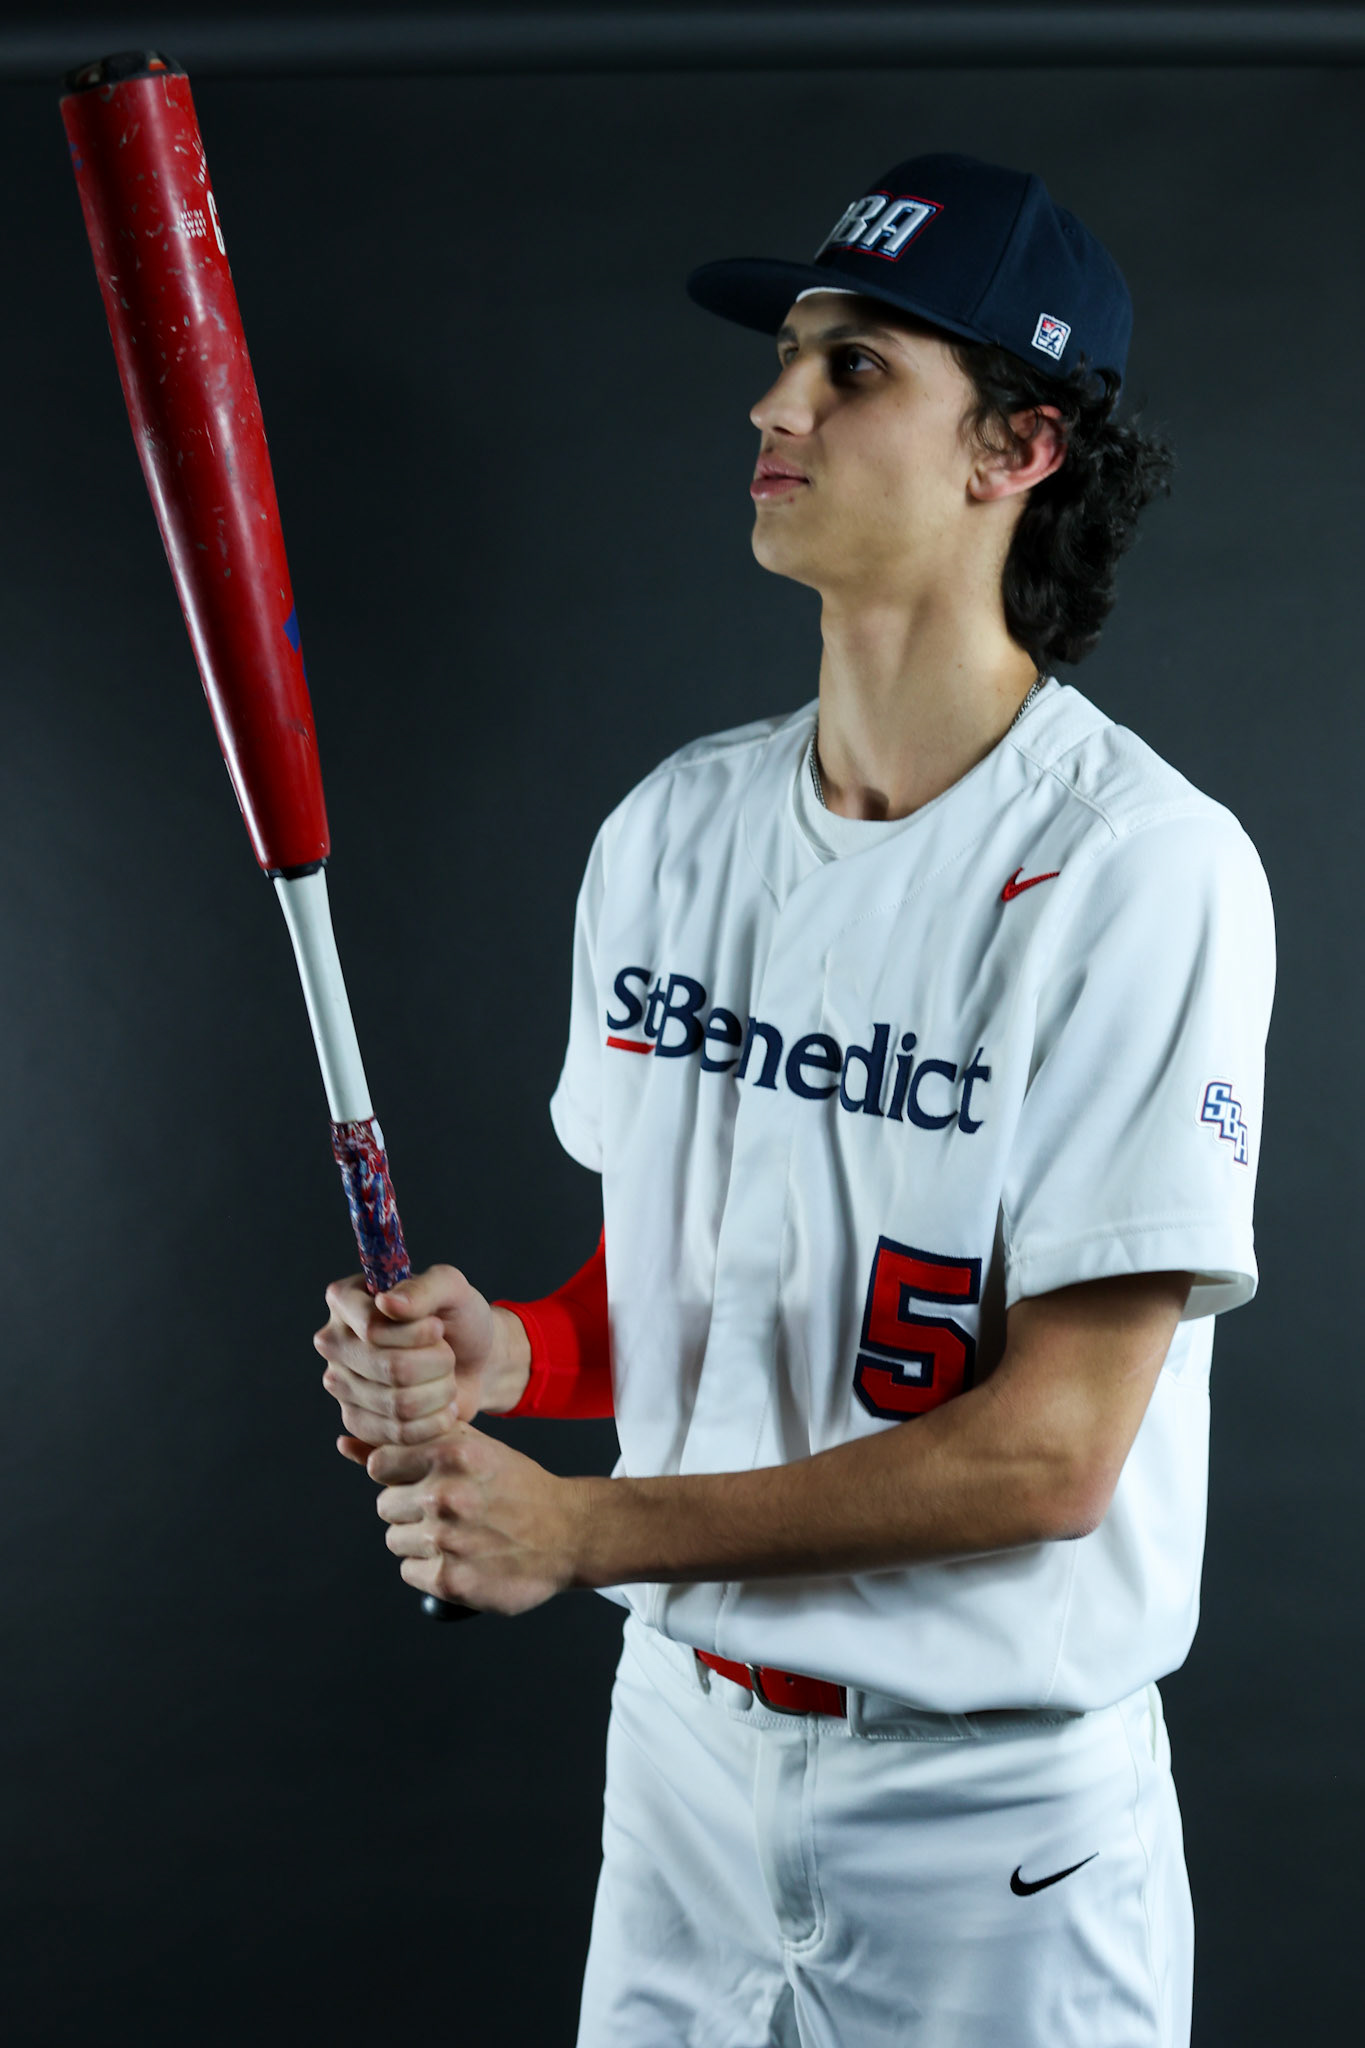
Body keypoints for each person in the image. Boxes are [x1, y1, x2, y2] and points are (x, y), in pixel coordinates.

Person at [313, 152, 1274, 2047]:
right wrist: (510, 1350)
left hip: (990, 1815)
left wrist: (585, 1534)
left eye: (853, 371)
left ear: (1018, 447)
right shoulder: (670, 832)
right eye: (785, 359)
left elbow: (1050, 1455)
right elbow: (684, 1296)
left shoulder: (1141, 870)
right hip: (678, 1763)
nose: (772, 403)